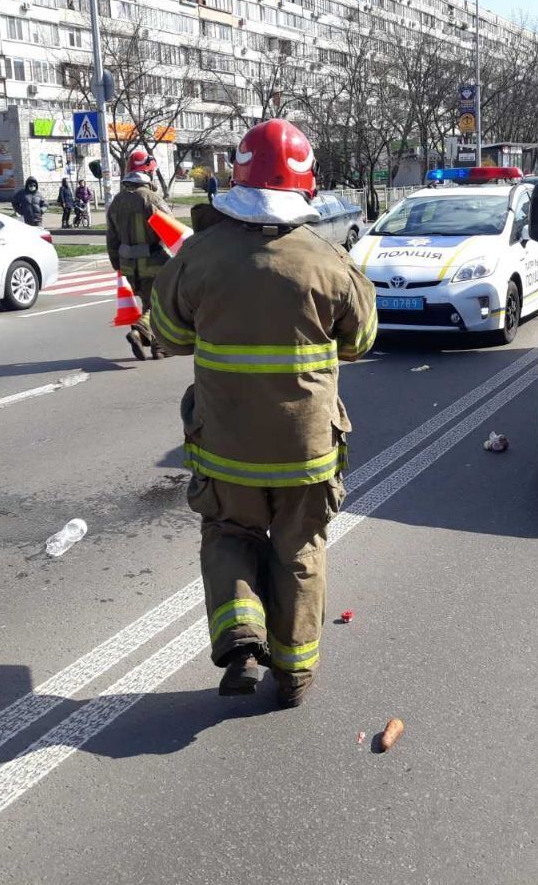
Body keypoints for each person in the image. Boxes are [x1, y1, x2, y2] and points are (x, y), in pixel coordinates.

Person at [152, 119, 377, 709]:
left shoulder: (197, 256)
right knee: (299, 550)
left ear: (237, 179)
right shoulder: (330, 262)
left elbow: (169, 335)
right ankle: (295, 677)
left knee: (230, 533)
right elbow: (360, 342)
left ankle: (240, 638)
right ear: (306, 186)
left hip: (225, 445)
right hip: (307, 449)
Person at [106, 149, 173, 361]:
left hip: (129, 265)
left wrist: (117, 264)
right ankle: (139, 330)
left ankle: (158, 348)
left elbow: (111, 238)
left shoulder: (116, 202)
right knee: (160, 304)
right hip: (153, 262)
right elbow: (171, 229)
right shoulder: (151, 198)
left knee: (148, 302)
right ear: (148, 173)